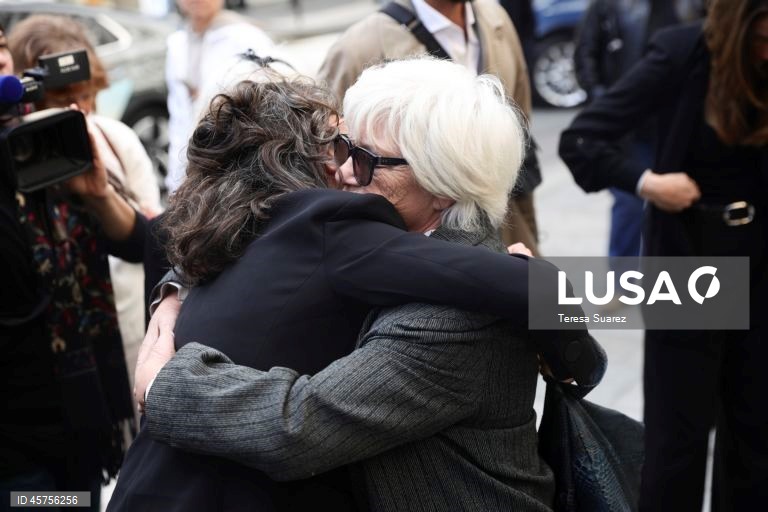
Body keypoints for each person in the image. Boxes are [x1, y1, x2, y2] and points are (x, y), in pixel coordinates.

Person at [108, 60, 600, 511]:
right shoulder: (375, 226)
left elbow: (296, 429)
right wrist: (173, 296)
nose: (340, 170)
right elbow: (238, 232)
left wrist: (162, 382)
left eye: (365, 159)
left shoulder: (455, 320)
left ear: (443, 182)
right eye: (342, 146)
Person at [559, 0, 768, 509]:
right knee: (679, 438)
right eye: (761, 39)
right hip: (692, 261)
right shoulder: (685, 52)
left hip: (761, 261)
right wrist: (648, 182)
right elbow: (582, 139)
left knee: (757, 430)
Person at [0, 21, 149, 510]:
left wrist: (99, 196)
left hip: (78, 431)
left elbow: (146, 245)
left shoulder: (50, 148)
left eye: (2, 51)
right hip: (17, 453)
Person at [9, 15, 163, 384]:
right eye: (61, 100)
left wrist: (101, 195)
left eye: (85, 96)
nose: (78, 111)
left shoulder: (115, 140)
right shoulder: (13, 158)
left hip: (128, 331)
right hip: (42, 365)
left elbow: (152, 242)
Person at [318, 0, 542, 253]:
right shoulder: (357, 47)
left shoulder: (494, 18)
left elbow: (520, 136)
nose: (345, 170)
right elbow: (325, 147)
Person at [573, 0, 695, 295]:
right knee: (629, 205)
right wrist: (603, 102)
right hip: (629, 129)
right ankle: (621, 285)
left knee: (682, 203)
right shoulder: (609, 6)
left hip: (678, 126)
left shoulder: (687, 7)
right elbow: (585, 52)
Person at [165, 0, 274, 193]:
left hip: (239, 167)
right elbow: (178, 116)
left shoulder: (247, 37)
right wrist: (175, 181)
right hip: (193, 168)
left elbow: (269, 105)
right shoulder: (177, 45)